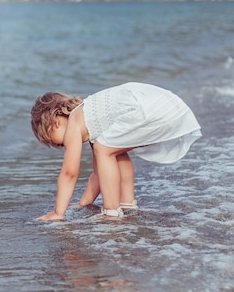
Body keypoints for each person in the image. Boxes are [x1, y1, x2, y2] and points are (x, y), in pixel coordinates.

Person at [30, 82, 201, 221]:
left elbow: (69, 173)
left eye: (52, 139)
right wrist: (84, 204)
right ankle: (127, 204)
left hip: (145, 110)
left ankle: (111, 211)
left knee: (103, 150)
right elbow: (99, 174)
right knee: (111, 152)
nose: (59, 145)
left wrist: (58, 212)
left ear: (55, 121)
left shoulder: (75, 121)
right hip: (164, 105)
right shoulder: (92, 123)